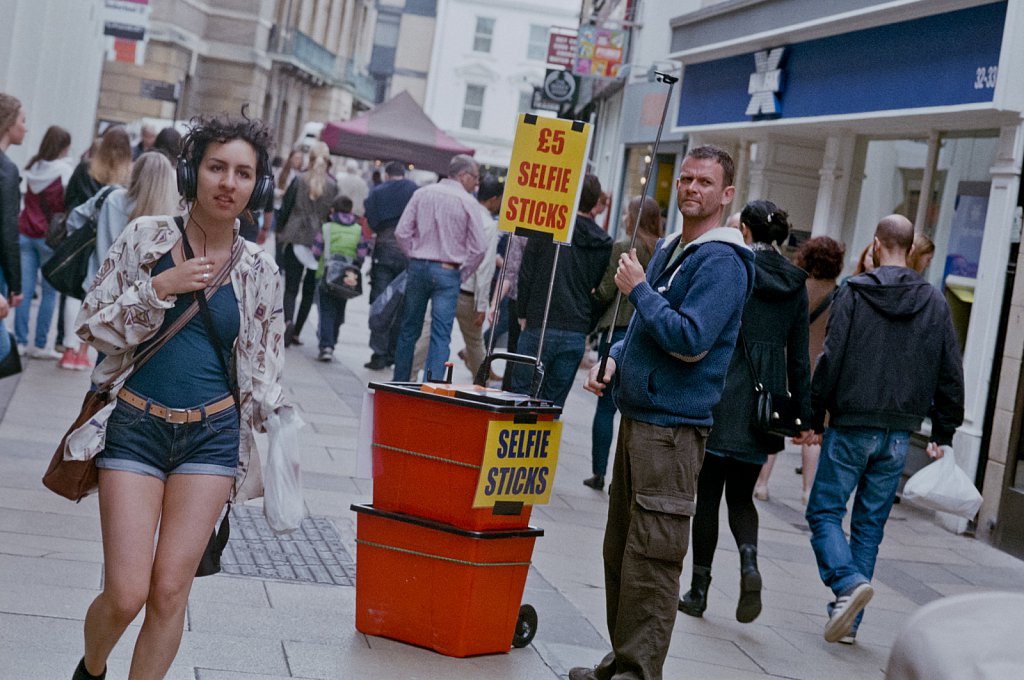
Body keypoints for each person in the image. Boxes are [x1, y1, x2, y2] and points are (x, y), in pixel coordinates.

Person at [69, 111, 287, 680]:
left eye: (244, 173)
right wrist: (158, 288)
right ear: (193, 173)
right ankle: (91, 670)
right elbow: (91, 326)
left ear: (258, 186)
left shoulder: (261, 271)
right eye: (217, 167)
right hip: (136, 427)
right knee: (126, 592)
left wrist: (276, 422)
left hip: (210, 438)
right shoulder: (146, 238)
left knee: (170, 592)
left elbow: (266, 368)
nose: (228, 183)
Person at [571, 145, 754, 680]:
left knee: (652, 555)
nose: (692, 188)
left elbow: (691, 339)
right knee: (621, 550)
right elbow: (648, 331)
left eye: (705, 182)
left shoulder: (724, 260)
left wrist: (641, 289)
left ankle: (637, 671)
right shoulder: (676, 247)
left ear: (726, 195)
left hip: (673, 432)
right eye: (688, 179)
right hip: (641, 416)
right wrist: (616, 361)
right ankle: (623, 660)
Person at [804, 214, 964, 645]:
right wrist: (943, 433)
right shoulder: (934, 301)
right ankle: (849, 624)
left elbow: (830, 358)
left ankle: (846, 585)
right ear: (911, 249)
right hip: (898, 434)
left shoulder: (854, 292)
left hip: (853, 423)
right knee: (870, 524)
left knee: (823, 512)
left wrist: (815, 415)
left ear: (876, 244)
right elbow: (951, 371)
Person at [678, 200, 812, 624]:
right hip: (763, 405)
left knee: (708, 498)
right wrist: (803, 416)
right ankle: (750, 565)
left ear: (747, 233)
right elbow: (800, 360)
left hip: (722, 393)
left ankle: (698, 590)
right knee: (742, 497)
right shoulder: (796, 283)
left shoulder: (737, 267)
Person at [60, 151, 180, 370]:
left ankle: (73, 354)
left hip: (104, 281)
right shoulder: (169, 216)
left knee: (103, 360)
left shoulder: (113, 197)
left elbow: (76, 217)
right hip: (145, 296)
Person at [510, 174, 613, 407]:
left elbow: (526, 273)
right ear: (595, 201)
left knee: (520, 400)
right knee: (551, 408)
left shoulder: (547, 228)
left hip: (540, 320)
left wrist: (522, 312)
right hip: (575, 328)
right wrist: (587, 325)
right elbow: (601, 288)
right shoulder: (604, 243)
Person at [585, 196, 663, 490]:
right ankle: (628, 479)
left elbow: (606, 290)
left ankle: (599, 472)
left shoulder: (624, 247)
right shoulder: (661, 250)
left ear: (632, 216)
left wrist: (592, 297)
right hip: (647, 335)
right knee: (635, 412)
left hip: (617, 331)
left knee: (605, 407)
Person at [391, 154, 487, 382]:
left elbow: (401, 232)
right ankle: (432, 386)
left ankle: (400, 381)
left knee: (409, 329)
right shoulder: (468, 202)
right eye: (475, 177)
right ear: (463, 176)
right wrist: (461, 272)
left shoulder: (422, 193)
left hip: (419, 266)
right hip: (448, 271)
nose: (476, 183)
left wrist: (414, 255)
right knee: (440, 334)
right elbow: (479, 248)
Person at [58, 126, 132, 351]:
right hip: (114, 242)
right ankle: (85, 349)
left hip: (85, 241)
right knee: (103, 296)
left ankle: (66, 343)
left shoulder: (85, 169)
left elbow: (69, 202)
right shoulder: (128, 176)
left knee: (74, 290)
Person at [788, 236, 846, 503]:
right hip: (821, 370)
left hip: (792, 366)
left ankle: (762, 484)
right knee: (813, 433)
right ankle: (808, 490)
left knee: (776, 424)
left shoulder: (797, 286)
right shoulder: (840, 295)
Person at [15, 125, 73, 358]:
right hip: (49, 238)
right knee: (50, 293)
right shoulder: (64, 171)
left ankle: (19, 341)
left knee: (25, 291)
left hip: (25, 232)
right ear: (62, 147)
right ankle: (40, 345)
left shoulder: (33, 167)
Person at [276, 140, 338, 346]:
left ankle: (287, 322)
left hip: (295, 236)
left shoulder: (299, 180)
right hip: (318, 242)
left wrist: (280, 230)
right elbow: (332, 217)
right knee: (309, 291)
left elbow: (286, 207)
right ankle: (297, 332)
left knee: (291, 288)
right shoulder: (332, 186)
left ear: (309, 158)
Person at [363, 160, 417, 370]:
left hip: (384, 250)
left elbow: (372, 223)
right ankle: (393, 353)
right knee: (401, 303)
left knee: (381, 301)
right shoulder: (414, 190)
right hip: (408, 253)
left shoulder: (377, 191)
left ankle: (378, 353)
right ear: (403, 173)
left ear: (387, 175)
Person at [455, 173, 502, 377]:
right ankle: (482, 382)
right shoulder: (489, 225)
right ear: (493, 200)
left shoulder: (466, 212)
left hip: (448, 284)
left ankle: (409, 375)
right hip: (468, 293)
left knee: (430, 335)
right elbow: (484, 268)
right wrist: (482, 305)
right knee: (475, 342)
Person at [315, 194, 363, 362]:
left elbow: (316, 250)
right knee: (338, 310)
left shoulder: (327, 228)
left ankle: (326, 345)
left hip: (326, 277)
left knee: (326, 311)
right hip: (347, 279)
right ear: (351, 210)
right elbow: (362, 253)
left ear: (333, 210)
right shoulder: (358, 229)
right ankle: (332, 340)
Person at [0, 93, 26, 312]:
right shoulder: (6, 170)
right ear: (9, 124)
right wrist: (15, 285)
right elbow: (8, 230)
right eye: (22, 121)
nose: (26, 128)